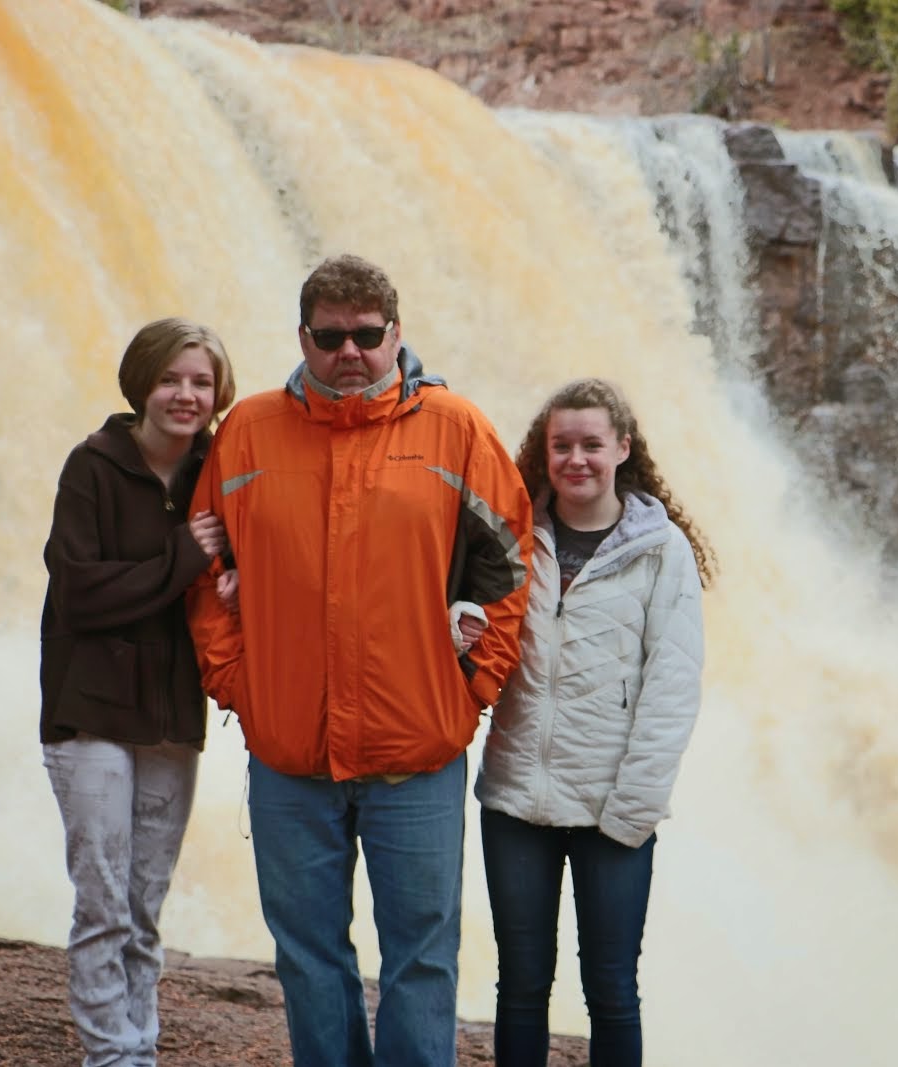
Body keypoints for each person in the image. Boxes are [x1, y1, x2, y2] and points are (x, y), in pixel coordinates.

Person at [185, 254, 534, 1067]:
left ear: (396, 334)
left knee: (420, 955)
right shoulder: (248, 431)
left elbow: (514, 568)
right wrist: (238, 683)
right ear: (303, 337)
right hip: (289, 754)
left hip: (416, 752)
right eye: (333, 336)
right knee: (308, 954)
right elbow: (206, 572)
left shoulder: (456, 429)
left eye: (368, 335)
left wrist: (470, 686)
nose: (352, 351)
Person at [474, 377, 714, 1067]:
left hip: (614, 807)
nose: (576, 458)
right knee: (521, 985)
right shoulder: (515, 535)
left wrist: (633, 806)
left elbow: (671, 687)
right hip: (516, 797)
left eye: (591, 444)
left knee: (611, 988)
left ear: (623, 449)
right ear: (542, 452)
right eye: (561, 445)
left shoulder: (659, 550)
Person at [38, 317, 237, 1067]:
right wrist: (185, 556)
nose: (185, 394)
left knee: (143, 909)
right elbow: (81, 593)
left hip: (170, 714)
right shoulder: (91, 467)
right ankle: (110, 1057)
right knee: (102, 905)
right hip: (87, 713)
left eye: (200, 381)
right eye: (170, 378)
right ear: (141, 382)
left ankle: (139, 1051)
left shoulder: (218, 468)